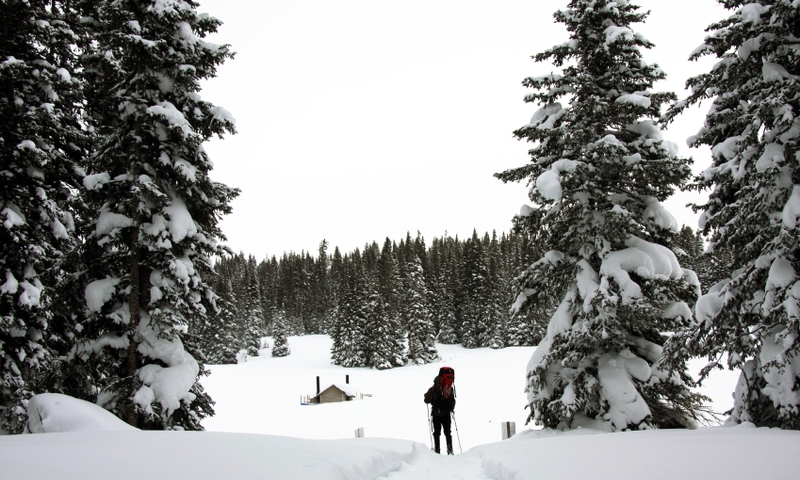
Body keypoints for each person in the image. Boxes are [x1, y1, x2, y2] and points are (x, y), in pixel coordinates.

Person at [424, 366, 455, 454]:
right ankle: (450, 450)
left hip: (436, 413)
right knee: (448, 432)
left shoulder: (433, 388)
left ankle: (437, 450)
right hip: (447, 413)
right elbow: (452, 400)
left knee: (437, 432)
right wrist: (451, 409)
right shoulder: (449, 388)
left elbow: (426, 400)